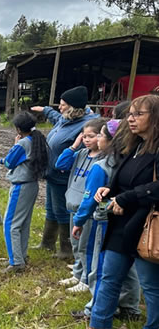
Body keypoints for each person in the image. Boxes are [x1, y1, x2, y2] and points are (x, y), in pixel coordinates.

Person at [78, 94, 159, 329]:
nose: (130, 119)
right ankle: (99, 327)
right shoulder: (134, 147)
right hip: (121, 224)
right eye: (130, 114)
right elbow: (124, 179)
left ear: (155, 118)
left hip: (146, 226)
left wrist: (127, 199)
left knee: (151, 287)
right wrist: (109, 192)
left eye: (138, 114)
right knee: (109, 277)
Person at [70, 119, 141, 321]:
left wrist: (79, 220)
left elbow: (90, 197)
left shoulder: (101, 167)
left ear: (111, 141)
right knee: (128, 268)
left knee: (99, 267)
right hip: (126, 221)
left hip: (102, 222)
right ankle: (129, 306)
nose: (98, 139)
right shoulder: (130, 162)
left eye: (101, 135)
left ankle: (94, 309)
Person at [31, 86, 98, 259]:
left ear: (74, 107)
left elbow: (83, 153)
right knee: (50, 209)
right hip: (52, 173)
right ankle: (47, 243)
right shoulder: (67, 119)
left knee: (61, 210)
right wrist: (45, 110)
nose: (59, 108)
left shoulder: (85, 126)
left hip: (63, 176)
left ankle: (66, 249)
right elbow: (55, 117)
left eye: (63, 105)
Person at [0, 112, 50, 274]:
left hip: (20, 187)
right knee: (23, 223)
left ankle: (15, 262)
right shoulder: (35, 140)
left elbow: (10, 162)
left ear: (19, 129)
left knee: (10, 224)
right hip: (32, 186)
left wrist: (15, 144)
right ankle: (21, 255)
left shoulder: (22, 143)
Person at [54, 118, 105, 293]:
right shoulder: (81, 154)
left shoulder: (103, 159)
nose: (87, 140)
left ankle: (85, 279)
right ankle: (77, 273)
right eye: (84, 136)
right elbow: (60, 164)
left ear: (101, 136)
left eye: (91, 136)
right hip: (72, 205)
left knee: (85, 246)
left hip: (87, 211)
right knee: (76, 245)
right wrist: (74, 146)